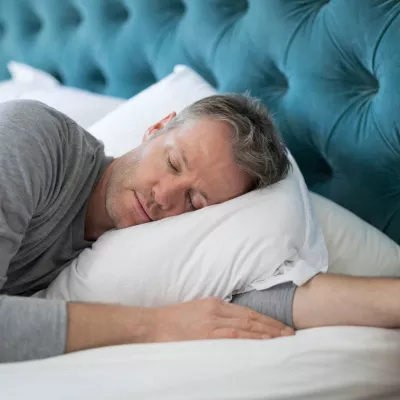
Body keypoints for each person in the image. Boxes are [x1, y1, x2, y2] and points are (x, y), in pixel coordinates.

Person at [0, 96, 399, 363]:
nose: (164, 196)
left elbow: (263, 303)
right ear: (156, 127)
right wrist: (156, 326)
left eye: (195, 202)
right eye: (172, 163)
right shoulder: (32, 138)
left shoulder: (151, 259)